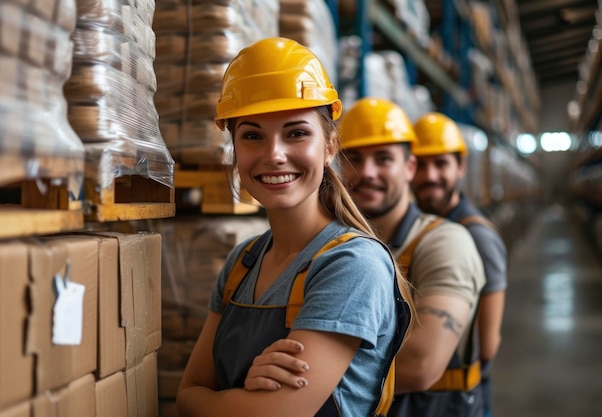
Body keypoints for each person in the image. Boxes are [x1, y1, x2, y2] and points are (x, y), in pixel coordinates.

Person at [176, 38, 413, 417]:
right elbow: (184, 397)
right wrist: (241, 398)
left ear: (330, 146)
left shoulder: (353, 264)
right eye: (252, 135)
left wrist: (217, 401)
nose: (274, 154)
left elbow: (262, 411)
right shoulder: (244, 262)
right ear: (235, 150)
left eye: (296, 133)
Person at [245, 98, 487, 416]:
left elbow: (421, 365)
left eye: (384, 159)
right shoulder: (330, 248)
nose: (367, 172)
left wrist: (297, 384)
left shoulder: (445, 243)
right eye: (355, 158)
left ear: (409, 167)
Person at [410, 112, 508, 417]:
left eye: (441, 164)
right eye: (421, 164)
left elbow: (487, 345)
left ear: (461, 168)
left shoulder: (477, 237)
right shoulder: (421, 230)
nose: (430, 176)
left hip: (458, 400)